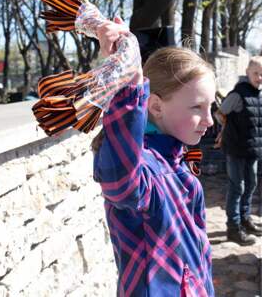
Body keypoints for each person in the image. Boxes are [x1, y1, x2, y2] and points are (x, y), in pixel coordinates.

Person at [92, 19, 216, 296]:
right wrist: (127, 85)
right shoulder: (144, 168)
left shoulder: (177, 167)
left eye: (211, 106)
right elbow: (121, 181)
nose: (209, 120)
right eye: (197, 107)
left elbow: (198, 262)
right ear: (156, 106)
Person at [219, 56, 262, 245]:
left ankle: (245, 219)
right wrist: (229, 131)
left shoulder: (260, 94)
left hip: (252, 150)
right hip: (236, 148)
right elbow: (221, 113)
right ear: (247, 71)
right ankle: (233, 227)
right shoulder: (237, 94)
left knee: (251, 184)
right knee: (237, 187)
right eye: (256, 73)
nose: (259, 77)